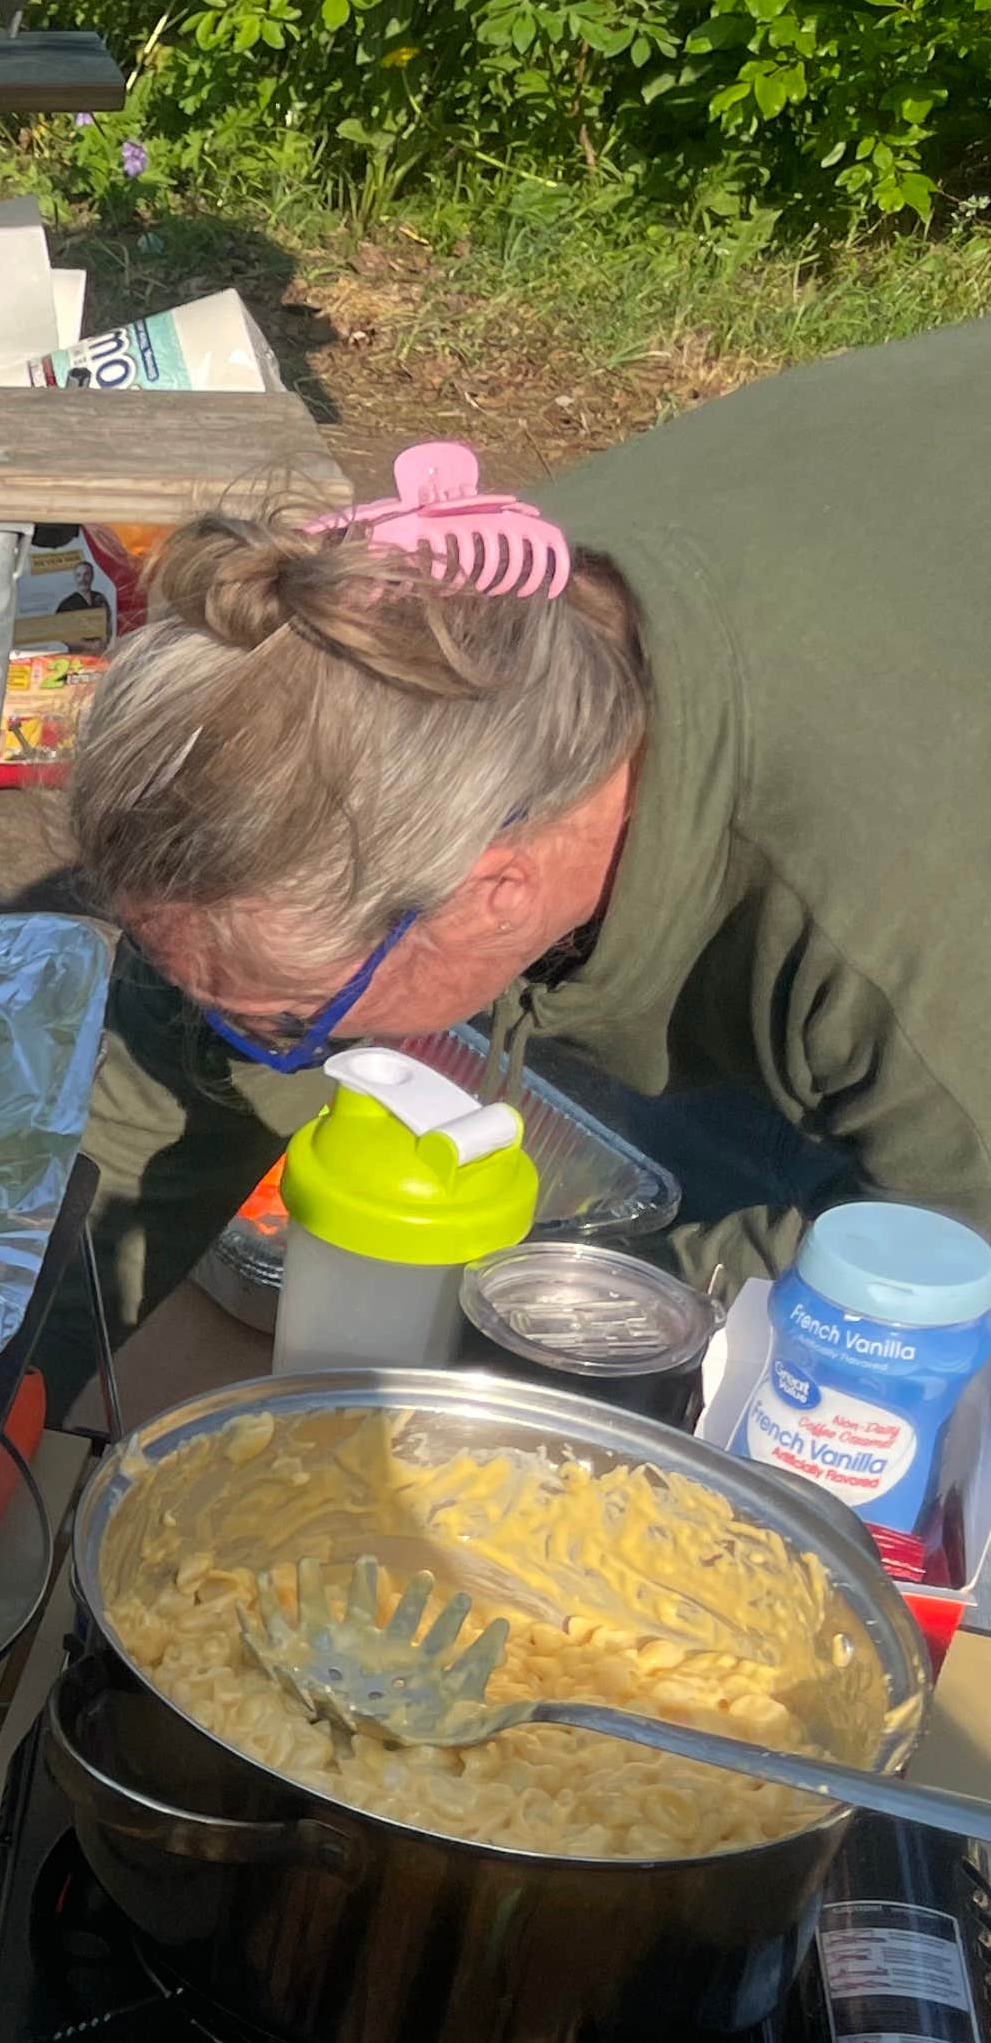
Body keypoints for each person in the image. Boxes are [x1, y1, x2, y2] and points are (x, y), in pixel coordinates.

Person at [56, 316, 991, 1365]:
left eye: (284, 1022)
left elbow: (948, 1259)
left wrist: (526, 1333)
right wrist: (2, 1381)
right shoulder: (402, 624)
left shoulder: (887, 950)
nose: (241, 1036)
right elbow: (162, 1084)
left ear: (496, 893)